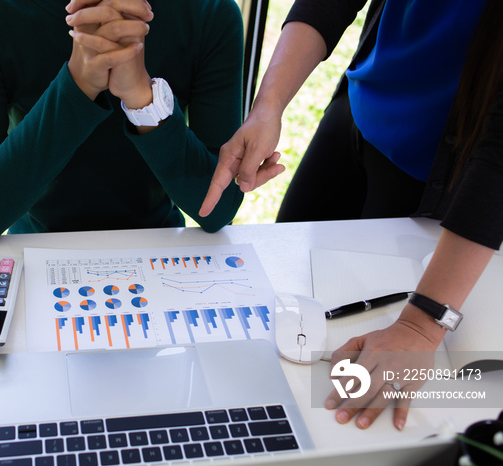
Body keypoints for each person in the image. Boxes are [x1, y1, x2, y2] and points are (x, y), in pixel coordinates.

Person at [201, 0, 503, 430]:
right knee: (287, 284)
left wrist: (422, 326)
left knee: (360, 366)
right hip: (359, 114)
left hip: (441, 177)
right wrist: (268, 105)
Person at [0, 0, 244, 245]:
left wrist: (143, 97)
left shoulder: (210, 12)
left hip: (161, 254)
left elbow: (219, 208)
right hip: (34, 256)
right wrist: (79, 83)